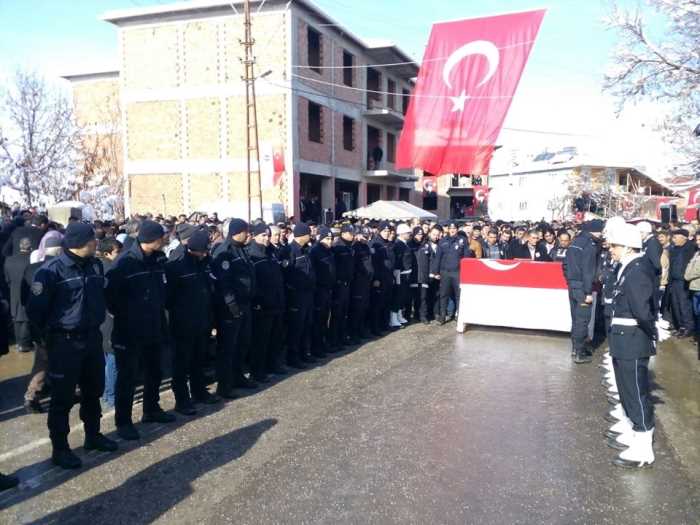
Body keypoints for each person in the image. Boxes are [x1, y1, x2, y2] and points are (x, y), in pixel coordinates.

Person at [27, 223, 118, 469]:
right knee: (63, 397)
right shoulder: (51, 272)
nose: (96, 243)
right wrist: (48, 341)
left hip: (92, 338)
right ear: (80, 243)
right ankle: (61, 448)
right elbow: (35, 312)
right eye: (92, 240)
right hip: (65, 342)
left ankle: (93, 434)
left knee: (93, 389)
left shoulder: (95, 265)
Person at [106, 220, 175, 442]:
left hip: (154, 326)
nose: (165, 240)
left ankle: (151, 409)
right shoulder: (125, 263)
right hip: (130, 330)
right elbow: (111, 299)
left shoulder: (157, 260)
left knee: (155, 371)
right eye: (162, 237)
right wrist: (130, 316)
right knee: (127, 377)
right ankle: (123, 422)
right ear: (151, 239)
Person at [606, 223, 660, 468]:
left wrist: (653, 333)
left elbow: (641, 309)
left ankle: (643, 447)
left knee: (636, 393)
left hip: (633, 338)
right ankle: (633, 431)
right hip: (623, 337)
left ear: (627, 247)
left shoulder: (637, 269)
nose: (611, 250)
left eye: (614, 246)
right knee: (627, 389)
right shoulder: (629, 266)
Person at [165, 229, 220, 415]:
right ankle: (182, 399)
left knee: (199, 359)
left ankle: (199, 391)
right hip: (183, 323)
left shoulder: (204, 263)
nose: (206, 252)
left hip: (202, 320)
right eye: (204, 249)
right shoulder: (177, 265)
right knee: (181, 363)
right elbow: (169, 298)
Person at [212, 219, 257, 396]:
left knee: (242, 343)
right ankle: (224, 386)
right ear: (237, 232)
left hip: (244, 305)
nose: (248, 235)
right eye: (246, 231)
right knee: (228, 347)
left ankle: (238, 376)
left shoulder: (241, 249)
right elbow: (224, 284)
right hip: (230, 309)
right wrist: (232, 307)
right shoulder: (225, 252)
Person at [22, 235, 63, 413]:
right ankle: (33, 395)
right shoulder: (60, 269)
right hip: (56, 323)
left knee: (43, 361)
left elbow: (25, 296)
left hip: (40, 323)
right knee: (48, 361)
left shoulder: (31, 268)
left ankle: (34, 394)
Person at [248, 223, 287, 381]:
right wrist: (258, 300)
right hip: (262, 304)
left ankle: (273, 364)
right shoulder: (253, 254)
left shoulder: (271, 252)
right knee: (260, 340)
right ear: (255, 236)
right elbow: (253, 281)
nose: (266, 238)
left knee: (275, 336)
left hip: (276, 301)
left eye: (267, 235)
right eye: (263, 235)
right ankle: (258, 371)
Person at [564, 219, 603, 363]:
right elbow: (588, 271)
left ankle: (575, 348)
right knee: (582, 320)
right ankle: (579, 352)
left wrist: (570, 281)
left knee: (575, 319)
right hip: (582, 287)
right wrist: (587, 292)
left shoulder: (575, 242)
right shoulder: (589, 245)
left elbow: (565, 265)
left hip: (573, 286)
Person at [281, 222, 316, 368]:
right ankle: (293, 357)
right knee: (296, 327)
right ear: (302, 235)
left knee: (306, 325)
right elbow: (286, 275)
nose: (311, 236)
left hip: (307, 295)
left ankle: (304, 353)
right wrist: (294, 290)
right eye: (309, 233)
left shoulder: (305, 250)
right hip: (296, 297)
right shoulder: (290, 251)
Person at [435, 222, 472, 324]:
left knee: (458, 295)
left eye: (454, 228)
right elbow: (438, 257)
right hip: (445, 272)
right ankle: (442, 316)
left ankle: (459, 315)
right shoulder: (442, 241)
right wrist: (436, 271)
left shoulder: (462, 240)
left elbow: (466, 257)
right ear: (448, 229)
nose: (452, 230)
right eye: (450, 228)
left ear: (457, 229)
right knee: (443, 294)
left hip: (457, 272)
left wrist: (466, 272)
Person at [310, 226, 336, 357]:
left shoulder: (329, 251)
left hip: (328, 289)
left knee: (325, 319)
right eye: (327, 238)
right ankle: (316, 347)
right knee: (318, 320)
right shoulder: (315, 251)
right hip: (319, 290)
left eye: (331, 238)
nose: (330, 241)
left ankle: (323, 344)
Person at [4, 237, 33, 351]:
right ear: (30, 247)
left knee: (15, 317)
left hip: (13, 290)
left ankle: (18, 343)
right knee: (25, 318)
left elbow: (7, 279)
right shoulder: (31, 260)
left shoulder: (9, 260)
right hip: (27, 291)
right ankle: (24, 345)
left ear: (20, 246)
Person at [667, 228, 696, 337]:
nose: (673, 240)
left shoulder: (690, 247)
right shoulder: (674, 248)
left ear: (683, 238)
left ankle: (688, 328)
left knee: (684, 305)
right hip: (674, 281)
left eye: (675, 237)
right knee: (676, 305)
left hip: (683, 282)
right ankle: (680, 326)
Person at [330, 224, 354, 351]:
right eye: (350, 233)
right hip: (339, 285)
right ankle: (334, 341)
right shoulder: (337, 246)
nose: (352, 235)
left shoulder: (349, 246)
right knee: (337, 315)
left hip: (347, 284)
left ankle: (342, 337)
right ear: (343, 233)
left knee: (344, 314)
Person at [348, 227, 373, 341]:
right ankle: (353, 333)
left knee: (364, 307)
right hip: (358, 282)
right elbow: (355, 266)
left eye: (367, 237)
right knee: (357, 309)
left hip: (366, 282)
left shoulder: (366, 246)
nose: (366, 239)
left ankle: (361, 330)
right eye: (363, 236)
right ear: (357, 235)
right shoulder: (355, 248)